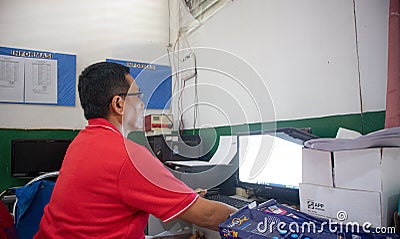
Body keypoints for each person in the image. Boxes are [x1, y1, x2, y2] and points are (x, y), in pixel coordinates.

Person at [34, 62, 237, 239]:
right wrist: (254, 214)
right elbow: (207, 216)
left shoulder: (81, 143)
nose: (142, 104)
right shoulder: (128, 156)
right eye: (137, 96)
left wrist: (178, 197)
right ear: (119, 104)